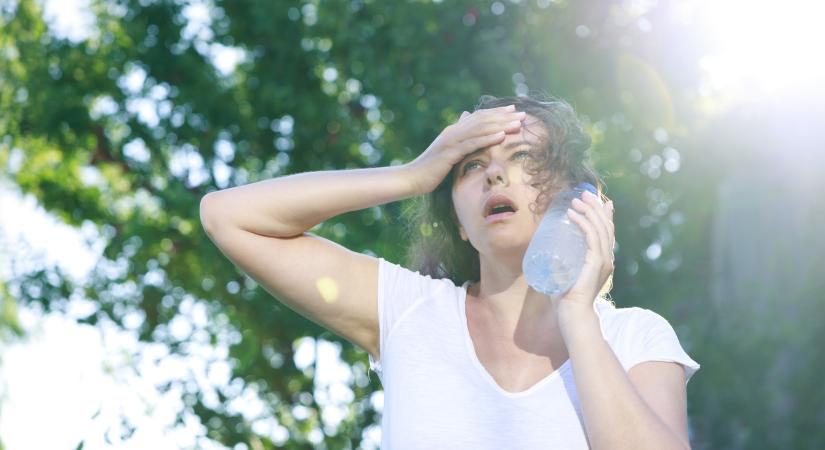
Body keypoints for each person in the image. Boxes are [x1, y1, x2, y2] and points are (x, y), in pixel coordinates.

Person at [199, 93, 700, 449]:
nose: (494, 173)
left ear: (578, 197)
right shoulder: (407, 311)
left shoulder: (637, 337)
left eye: (522, 155)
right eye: (470, 165)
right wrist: (412, 174)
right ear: (458, 224)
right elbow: (228, 218)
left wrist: (576, 312)